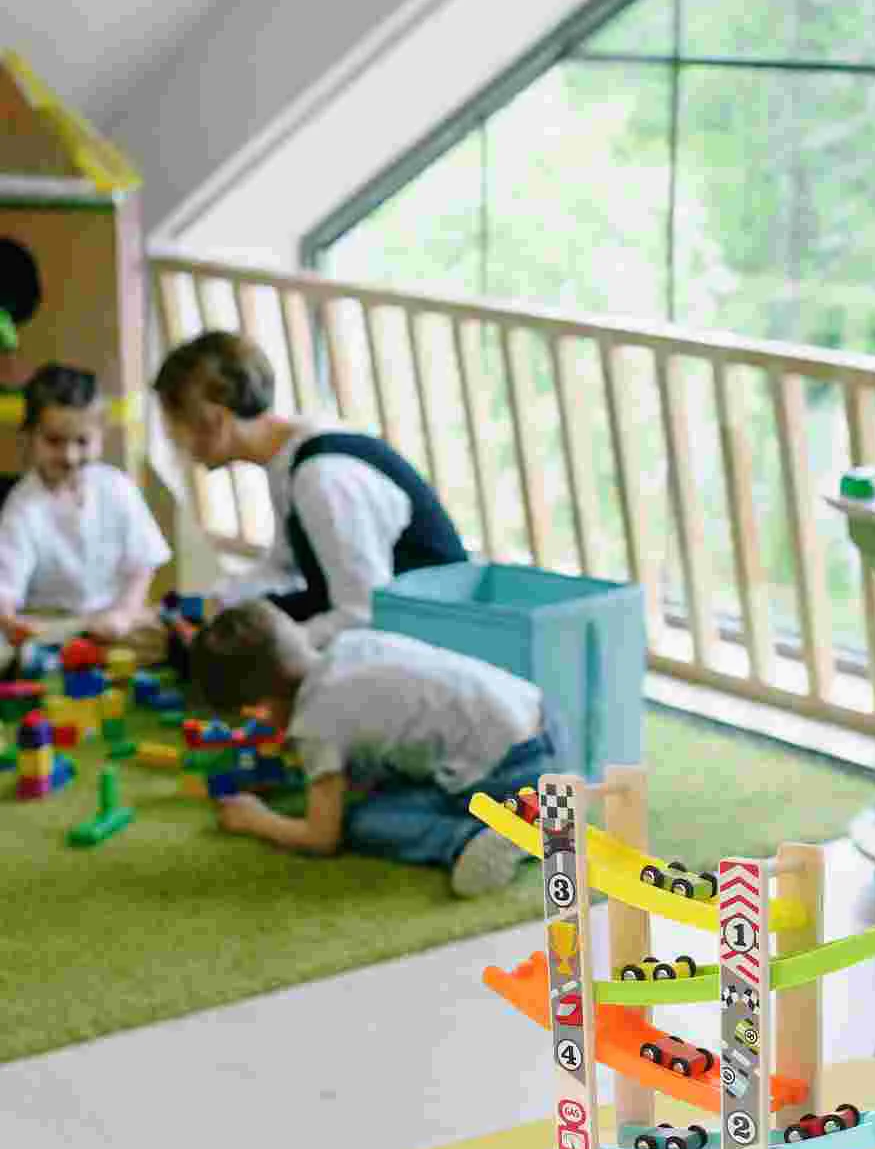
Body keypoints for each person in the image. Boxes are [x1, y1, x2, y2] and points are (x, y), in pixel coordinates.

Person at [186, 599, 559, 898]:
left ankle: (473, 838)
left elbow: (321, 838)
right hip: (542, 722)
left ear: (259, 708)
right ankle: (540, 801)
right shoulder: (351, 644)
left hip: (505, 766)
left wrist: (256, 820)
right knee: (387, 779)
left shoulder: (316, 723)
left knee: (364, 821)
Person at [152, 331, 468, 649]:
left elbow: (364, 614)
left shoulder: (322, 476)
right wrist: (209, 606)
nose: (174, 444)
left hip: (430, 639)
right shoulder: (290, 454)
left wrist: (266, 646)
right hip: (384, 620)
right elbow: (283, 567)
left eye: (173, 428)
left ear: (216, 420)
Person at [0, 364, 171, 664]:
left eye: (82, 442)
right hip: (51, 625)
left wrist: (125, 611)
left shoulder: (118, 487)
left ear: (100, 436)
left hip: (112, 619)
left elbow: (143, 564)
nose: (69, 456)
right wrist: (10, 622)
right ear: (30, 435)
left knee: (161, 634)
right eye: (54, 442)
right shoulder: (22, 507)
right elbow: (6, 586)